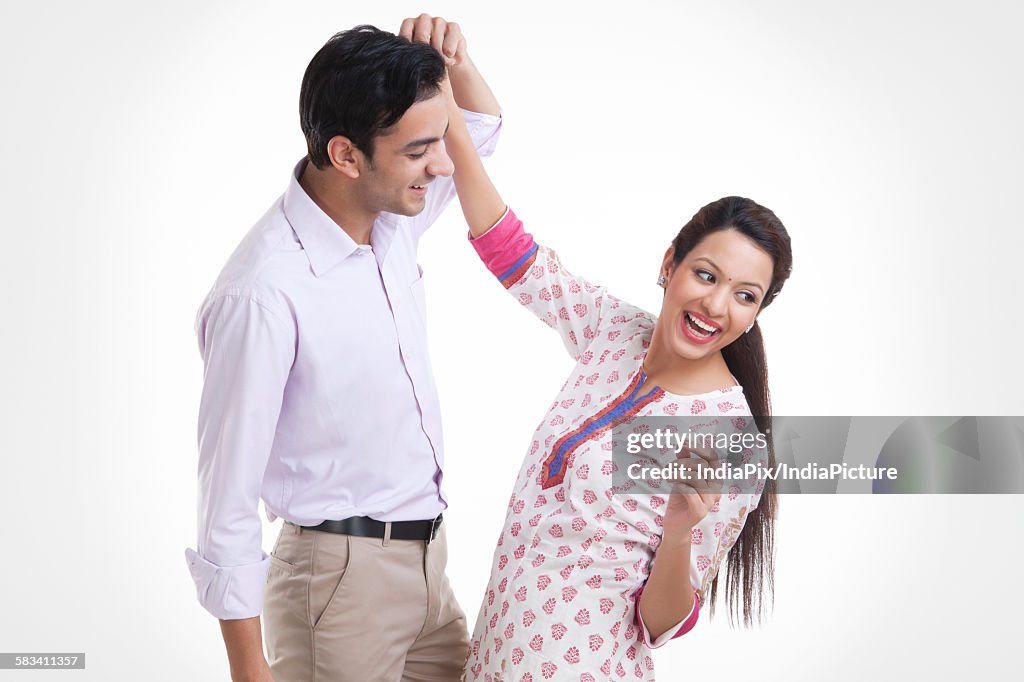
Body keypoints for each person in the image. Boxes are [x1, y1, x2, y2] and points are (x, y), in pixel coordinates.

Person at [431, 71, 792, 679]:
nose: (716, 305)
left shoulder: (730, 438)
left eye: (745, 295)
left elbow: (661, 624)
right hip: (492, 662)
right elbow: (513, 252)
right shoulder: (613, 332)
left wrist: (679, 533)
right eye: (706, 274)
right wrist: (453, 101)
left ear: (756, 314)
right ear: (669, 264)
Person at [184, 16, 500, 682]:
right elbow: (227, 504)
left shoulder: (390, 217)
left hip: (429, 571)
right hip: (337, 585)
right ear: (347, 155)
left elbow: (484, 130)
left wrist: (456, 61)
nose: (443, 165)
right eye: (420, 151)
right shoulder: (262, 295)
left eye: (438, 141)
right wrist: (249, 670)